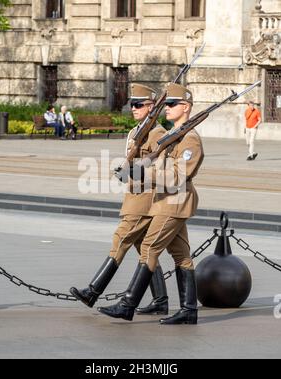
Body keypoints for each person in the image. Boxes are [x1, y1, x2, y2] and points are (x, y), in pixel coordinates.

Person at [98, 83, 204, 325]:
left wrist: (145, 174)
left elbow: (178, 176)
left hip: (175, 201)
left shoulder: (190, 140)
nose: (166, 108)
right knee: (181, 255)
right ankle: (189, 310)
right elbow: (157, 165)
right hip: (164, 200)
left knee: (149, 248)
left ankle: (127, 305)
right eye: (165, 104)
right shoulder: (172, 135)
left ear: (185, 107)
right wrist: (135, 169)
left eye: (171, 104)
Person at [69, 84, 169, 315]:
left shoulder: (158, 134)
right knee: (144, 248)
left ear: (152, 107)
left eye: (139, 105)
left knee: (120, 239)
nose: (133, 108)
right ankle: (161, 300)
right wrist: (125, 171)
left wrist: (138, 169)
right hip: (133, 195)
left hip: (145, 198)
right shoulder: (135, 131)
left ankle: (93, 291)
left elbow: (160, 166)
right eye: (132, 104)